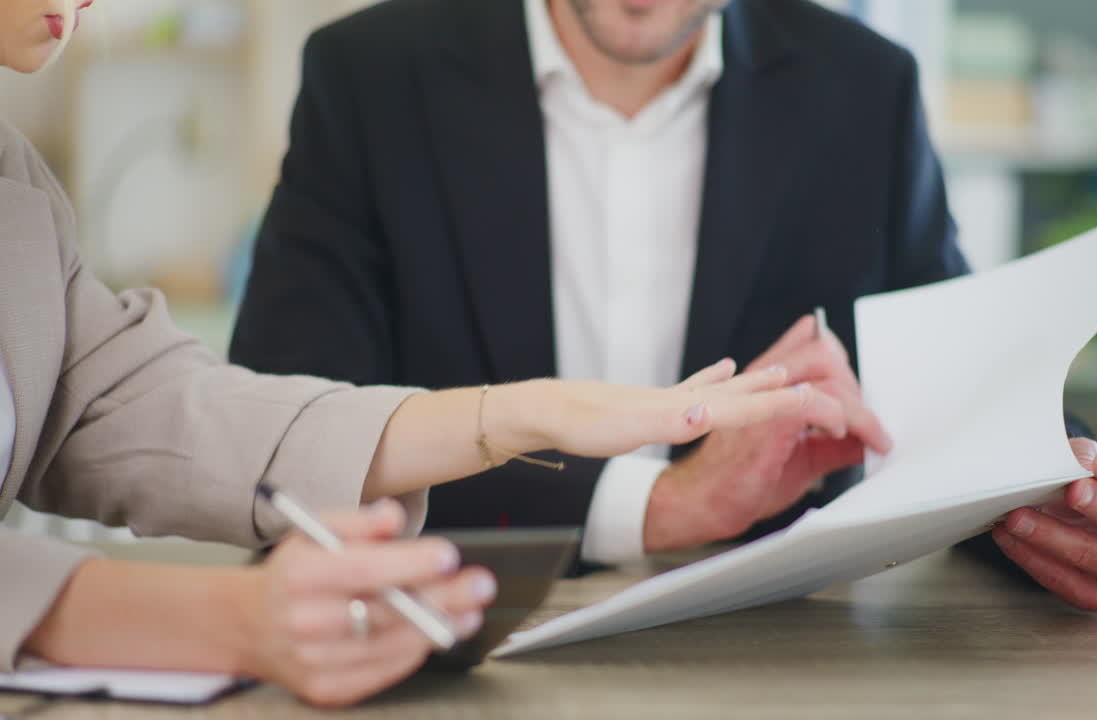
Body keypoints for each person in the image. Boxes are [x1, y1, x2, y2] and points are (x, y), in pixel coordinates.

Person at [0, 0, 822, 708]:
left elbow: (140, 406)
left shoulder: (19, 186)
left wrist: (523, 412)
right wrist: (230, 619)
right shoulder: (370, 72)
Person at [231, 0, 1097, 613]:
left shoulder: (862, 90)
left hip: (772, 666)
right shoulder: (368, 79)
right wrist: (662, 503)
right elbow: (287, 432)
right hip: (455, 641)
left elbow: (951, 379)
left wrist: (1059, 487)